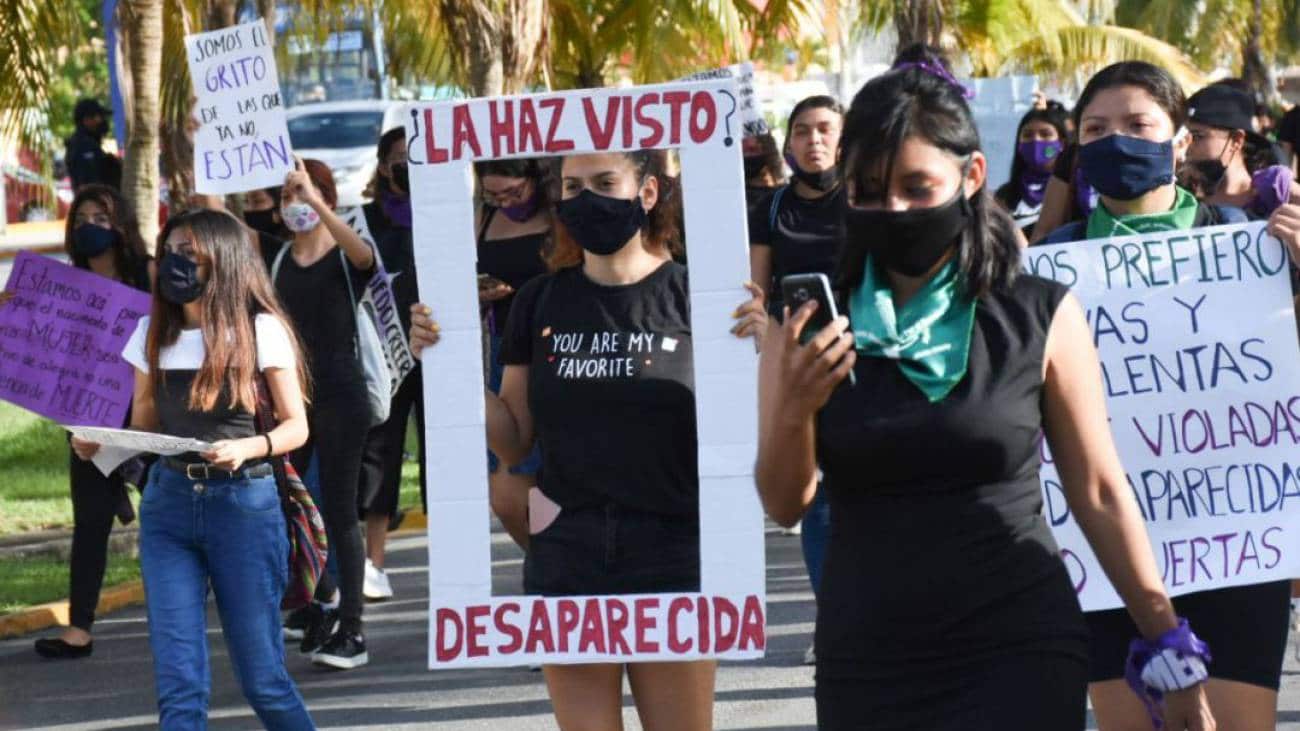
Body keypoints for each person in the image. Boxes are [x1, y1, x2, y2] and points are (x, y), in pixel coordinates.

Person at [756, 58, 1217, 731]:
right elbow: (782, 499)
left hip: (1018, 644)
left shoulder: (1039, 312)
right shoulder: (812, 321)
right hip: (869, 651)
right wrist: (793, 406)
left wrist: (1170, 646)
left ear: (971, 177)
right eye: (871, 190)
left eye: (918, 187)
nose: (895, 210)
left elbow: (1098, 490)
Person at [409, 148, 767, 731]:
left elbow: (749, 429)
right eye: (573, 187)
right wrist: (444, 361)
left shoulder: (701, 299)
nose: (587, 199)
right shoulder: (540, 301)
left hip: (672, 550)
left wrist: (765, 347)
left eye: (605, 181)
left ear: (647, 192)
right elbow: (516, 442)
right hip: (568, 556)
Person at [1041, 61, 1297, 731]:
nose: (1116, 139)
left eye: (1138, 125)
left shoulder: (1250, 247)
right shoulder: (1047, 265)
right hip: (1101, 555)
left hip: (1233, 540)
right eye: (1096, 128)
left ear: (1180, 141)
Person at [70, 209, 316, 729]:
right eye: (170, 252)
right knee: (179, 687)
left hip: (243, 506)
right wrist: (101, 443)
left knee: (263, 681)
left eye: (189, 254)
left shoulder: (259, 329)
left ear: (221, 262)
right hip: (169, 506)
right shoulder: (149, 332)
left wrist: (250, 447)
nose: (175, 264)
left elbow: (297, 427)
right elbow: (145, 423)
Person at [22, 185, 154, 660]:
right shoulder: (65, 286)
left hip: (148, 415)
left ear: (120, 225)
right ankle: (80, 628)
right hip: (88, 419)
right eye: (81, 219)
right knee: (90, 523)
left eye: (101, 216)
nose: (90, 226)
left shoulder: (150, 276)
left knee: (169, 511)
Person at [266, 158, 376, 669]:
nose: (296, 205)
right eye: (287, 196)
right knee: (285, 504)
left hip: (342, 394)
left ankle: (351, 628)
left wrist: (316, 201)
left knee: (338, 509)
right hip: (295, 398)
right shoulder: (279, 260)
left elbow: (365, 259)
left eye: (304, 194)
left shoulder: (341, 252)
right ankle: (320, 599)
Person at [746, 96, 845, 665]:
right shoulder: (772, 206)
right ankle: (832, 620)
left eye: (825, 129)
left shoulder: (865, 199)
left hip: (866, 356)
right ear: (788, 144)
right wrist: (763, 325)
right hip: (799, 361)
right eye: (803, 130)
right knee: (818, 499)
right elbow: (758, 289)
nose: (814, 140)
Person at [357, 128, 424, 601]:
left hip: (438, 349)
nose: (407, 166)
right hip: (385, 353)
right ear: (383, 166)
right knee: (379, 456)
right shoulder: (362, 221)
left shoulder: (443, 213)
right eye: (400, 159)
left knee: (443, 456)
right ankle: (371, 563)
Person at [473, 157, 552, 549]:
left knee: (552, 480)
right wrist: (478, 293)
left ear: (533, 178)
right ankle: (546, 560)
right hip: (504, 349)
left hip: (556, 347)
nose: (504, 202)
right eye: (493, 195)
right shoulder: (483, 219)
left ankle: (559, 569)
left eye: (513, 192)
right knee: (508, 496)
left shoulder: (559, 215)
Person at [1179, 83, 1298, 220]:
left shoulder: (1275, 190)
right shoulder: (1182, 198)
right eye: (1184, 136)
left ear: (1236, 140)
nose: (1187, 144)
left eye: (1197, 136)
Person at [995, 102, 1070, 235]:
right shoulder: (1004, 196)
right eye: (1028, 135)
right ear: (1019, 144)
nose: (1036, 140)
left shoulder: (1075, 191)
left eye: (1045, 134)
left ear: (1062, 143)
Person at [361, 128, 411, 244]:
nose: (413, 163)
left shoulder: (444, 211)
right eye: (404, 157)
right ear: (384, 169)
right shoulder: (366, 219)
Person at [64, 99, 120, 191]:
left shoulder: (89, 144)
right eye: (99, 117)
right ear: (87, 120)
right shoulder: (83, 146)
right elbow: (89, 186)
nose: (102, 121)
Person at [742, 131, 785, 214]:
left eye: (752, 150)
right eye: (741, 152)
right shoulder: (728, 197)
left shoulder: (784, 198)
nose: (747, 155)